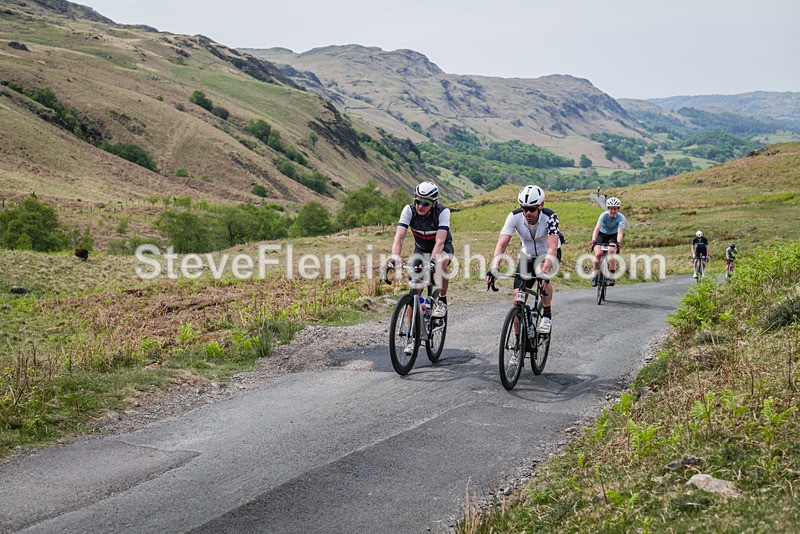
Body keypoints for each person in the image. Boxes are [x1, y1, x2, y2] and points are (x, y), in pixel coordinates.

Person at [486, 185, 561, 335]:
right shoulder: (514, 216)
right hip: (527, 255)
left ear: (541, 205)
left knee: (540, 271)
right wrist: (494, 268)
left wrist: (545, 271)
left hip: (547, 255)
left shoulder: (550, 217)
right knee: (517, 299)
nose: (527, 213)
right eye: (524, 209)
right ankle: (518, 343)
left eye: (531, 209)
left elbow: (552, 248)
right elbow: (501, 245)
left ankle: (546, 314)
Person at [388, 181, 453, 320]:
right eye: (418, 201)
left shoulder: (443, 212)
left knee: (440, 262)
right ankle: (411, 331)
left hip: (442, 247)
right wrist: (395, 258)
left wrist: (432, 261)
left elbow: (440, 241)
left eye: (425, 203)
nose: (420, 206)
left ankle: (442, 301)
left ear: (433, 203)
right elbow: (399, 238)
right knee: (414, 294)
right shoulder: (409, 210)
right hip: (421, 249)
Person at [589, 197, 627, 287]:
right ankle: (595, 275)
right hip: (601, 234)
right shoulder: (603, 215)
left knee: (612, 252)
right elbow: (597, 229)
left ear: (618, 209)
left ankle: (612, 276)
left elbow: (620, 232)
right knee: (598, 254)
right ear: (608, 208)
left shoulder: (621, 217)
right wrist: (593, 240)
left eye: (615, 209)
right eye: (611, 208)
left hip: (613, 235)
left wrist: (618, 242)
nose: (613, 211)